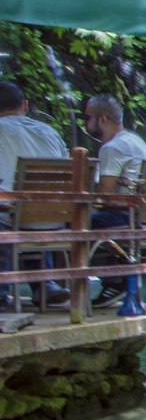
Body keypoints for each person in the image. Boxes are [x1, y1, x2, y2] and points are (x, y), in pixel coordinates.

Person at [0, 81, 71, 308]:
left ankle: (3, 288)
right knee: (28, 211)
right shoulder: (50, 132)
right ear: (25, 105)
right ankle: (44, 284)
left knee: (9, 213)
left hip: (13, 219)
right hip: (55, 219)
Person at [83, 95, 146, 307]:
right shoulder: (135, 141)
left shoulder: (113, 148)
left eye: (87, 117)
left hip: (127, 216)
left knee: (73, 223)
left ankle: (111, 282)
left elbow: (105, 195)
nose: (85, 123)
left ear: (102, 119)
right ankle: (117, 281)